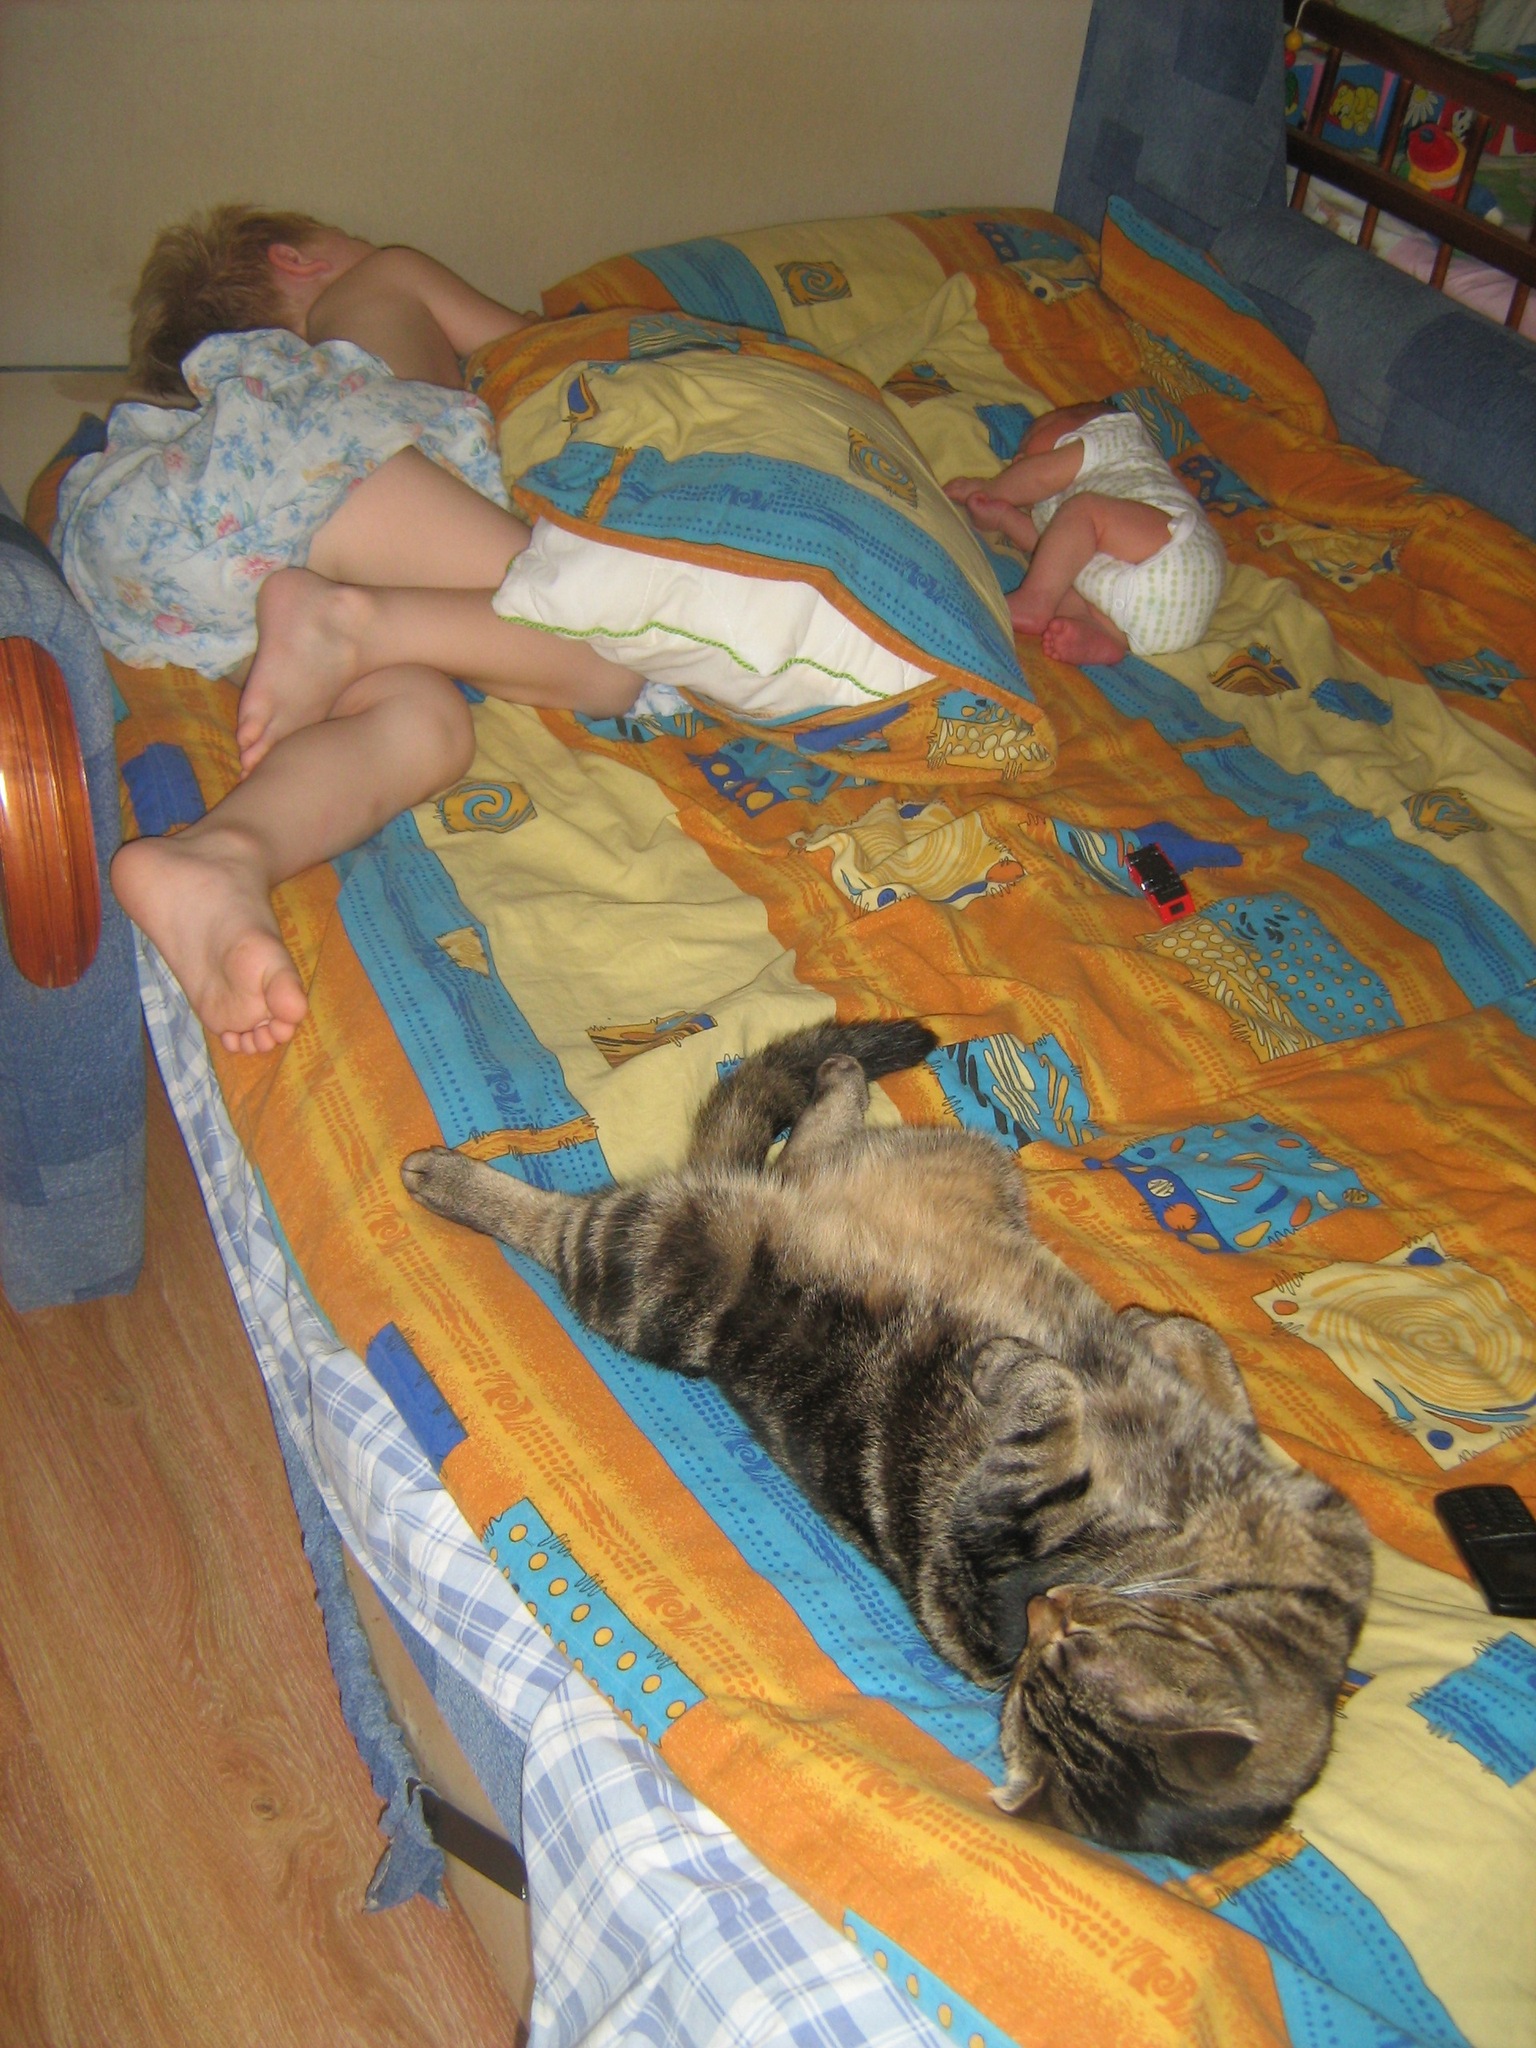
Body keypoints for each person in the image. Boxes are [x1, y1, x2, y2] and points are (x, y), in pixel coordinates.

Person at [54, 205, 640, 1055]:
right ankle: (349, 623)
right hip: (306, 469)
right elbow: (548, 351)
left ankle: (226, 855)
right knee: (612, 648)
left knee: (426, 723)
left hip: (150, 561)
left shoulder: (228, 422)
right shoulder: (378, 283)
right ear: (298, 259)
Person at [944, 400, 1227, 668]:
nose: (1019, 459)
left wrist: (989, 489)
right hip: (1164, 628)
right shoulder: (1065, 518)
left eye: (1033, 438)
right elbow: (1048, 548)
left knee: (1085, 512)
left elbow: (1040, 476)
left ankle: (1035, 598)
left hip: (1176, 547)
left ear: (1086, 423)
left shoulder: (1113, 437)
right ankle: (1099, 633)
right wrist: (1004, 518)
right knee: (1059, 573)